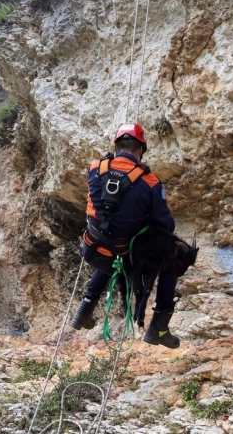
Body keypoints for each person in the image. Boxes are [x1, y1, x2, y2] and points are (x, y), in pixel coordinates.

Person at [70, 123, 181, 348]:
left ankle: (85, 308)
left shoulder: (95, 168)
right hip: (125, 256)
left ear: (116, 145)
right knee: (174, 254)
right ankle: (159, 326)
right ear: (141, 149)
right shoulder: (150, 182)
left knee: (110, 248)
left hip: (92, 249)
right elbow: (165, 225)